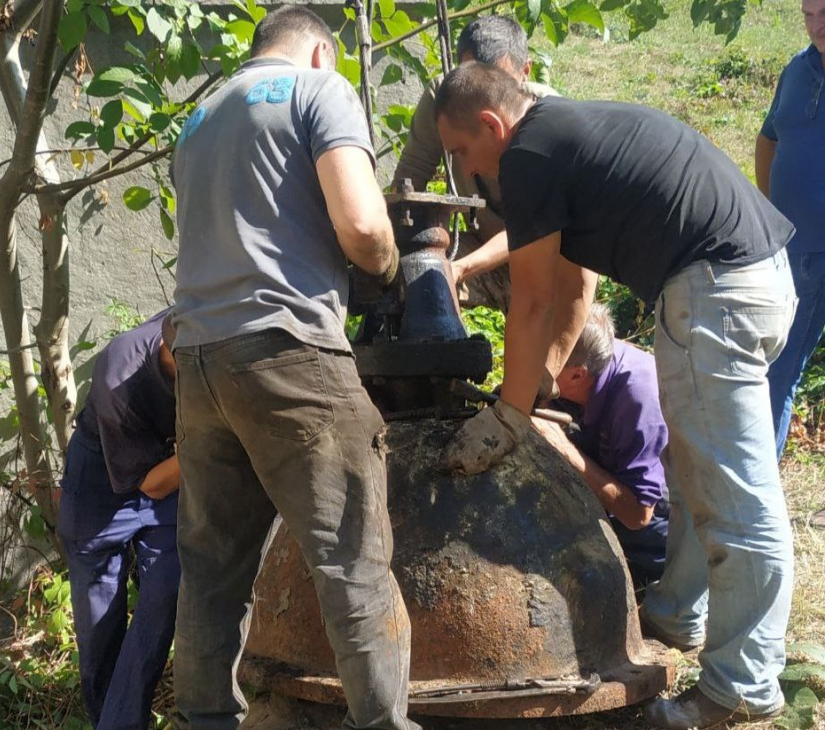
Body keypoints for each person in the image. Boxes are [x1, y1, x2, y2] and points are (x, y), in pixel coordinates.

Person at [434, 63, 797, 729]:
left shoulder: (531, 156)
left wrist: (510, 416)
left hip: (715, 289)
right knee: (696, 468)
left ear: (491, 124)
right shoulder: (561, 134)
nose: (463, 167)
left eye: (459, 151)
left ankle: (740, 685)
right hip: (732, 279)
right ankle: (678, 611)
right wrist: (540, 383)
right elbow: (571, 289)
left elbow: (535, 298)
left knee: (736, 497)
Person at [169, 7, 420, 730]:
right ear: (320, 54)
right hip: (287, 352)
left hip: (199, 361)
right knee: (353, 564)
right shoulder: (319, 91)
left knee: (214, 572)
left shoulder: (199, 116)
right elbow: (365, 225)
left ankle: (205, 721)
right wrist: (385, 268)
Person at [58, 309, 180, 730]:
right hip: (103, 482)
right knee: (99, 630)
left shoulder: (196, 316)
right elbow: (151, 485)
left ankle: (121, 722)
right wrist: (209, 440)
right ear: (175, 356)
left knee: (167, 590)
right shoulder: (119, 378)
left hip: (169, 462)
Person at [393, 15, 558, 312]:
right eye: (473, 81)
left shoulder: (549, 118)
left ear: (525, 72)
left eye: (496, 83)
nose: (484, 102)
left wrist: (461, 268)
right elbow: (411, 176)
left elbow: (537, 228)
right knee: (417, 271)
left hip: (545, 257)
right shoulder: (442, 99)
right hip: (479, 245)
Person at [532, 302, 669, 586]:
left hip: (661, 518)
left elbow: (639, 515)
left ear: (577, 374)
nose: (531, 361)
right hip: (613, 461)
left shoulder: (637, 401)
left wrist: (566, 452)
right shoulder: (584, 362)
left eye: (542, 358)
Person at [756, 0, 825, 520]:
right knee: (778, 370)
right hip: (792, 250)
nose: (817, 24)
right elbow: (768, 139)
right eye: (808, 14)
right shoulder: (796, 72)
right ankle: (762, 494)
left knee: (779, 373)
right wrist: (769, 216)